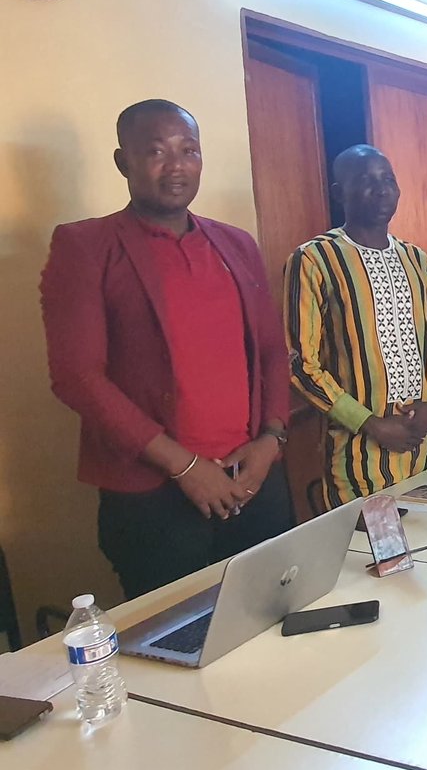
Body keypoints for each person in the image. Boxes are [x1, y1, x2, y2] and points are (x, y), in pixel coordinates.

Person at [40, 100, 293, 599]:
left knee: (271, 619)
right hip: (154, 496)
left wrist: (271, 441)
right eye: (156, 151)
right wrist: (186, 466)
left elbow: (271, 352)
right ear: (123, 162)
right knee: (179, 637)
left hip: (252, 480)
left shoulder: (236, 244)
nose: (176, 166)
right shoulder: (86, 246)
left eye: (188, 150)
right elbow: (77, 377)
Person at [285, 145, 427, 508]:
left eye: (388, 180)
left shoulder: (416, 259)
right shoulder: (315, 259)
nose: (381, 190)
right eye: (366, 181)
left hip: (424, 448)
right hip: (357, 455)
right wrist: (370, 423)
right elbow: (301, 363)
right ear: (339, 192)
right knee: (365, 542)